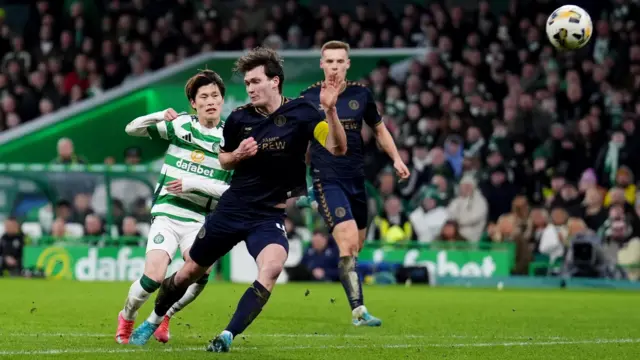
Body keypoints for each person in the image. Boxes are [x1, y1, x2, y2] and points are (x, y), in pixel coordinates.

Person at [128, 47, 347, 352]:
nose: (250, 88)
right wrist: (238, 154)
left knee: (271, 268)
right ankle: (153, 319)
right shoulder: (238, 118)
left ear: (275, 81)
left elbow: (337, 148)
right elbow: (224, 160)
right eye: (246, 83)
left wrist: (332, 111)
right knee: (190, 271)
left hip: (268, 215)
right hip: (231, 209)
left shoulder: (304, 113)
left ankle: (227, 335)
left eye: (256, 81)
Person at [115, 70, 232, 344]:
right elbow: (131, 129)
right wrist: (159, 115)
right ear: (194, 103)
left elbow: (231, 190)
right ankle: (128, 316)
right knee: (154, 276)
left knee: (200, 272)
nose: (210, 101)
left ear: (222, 100)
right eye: (204, 96)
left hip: (199, 219)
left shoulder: (230, 138)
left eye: (215, 95)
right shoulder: (181, 126)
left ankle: (165, 315)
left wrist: (192, 184)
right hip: (168, 214)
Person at [300, 41, 410, 326]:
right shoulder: (309, 98)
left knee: (355, 247)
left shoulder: (361, 94)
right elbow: (296, 142)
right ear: (322, 65)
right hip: (327, 179)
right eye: (330, 61)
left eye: (340, 61)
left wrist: (396, 159)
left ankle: (354, 299)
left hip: (355, 182)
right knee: (347, 243)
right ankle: (358, 311)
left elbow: (379, 130)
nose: (334, 66)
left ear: (348, 64)